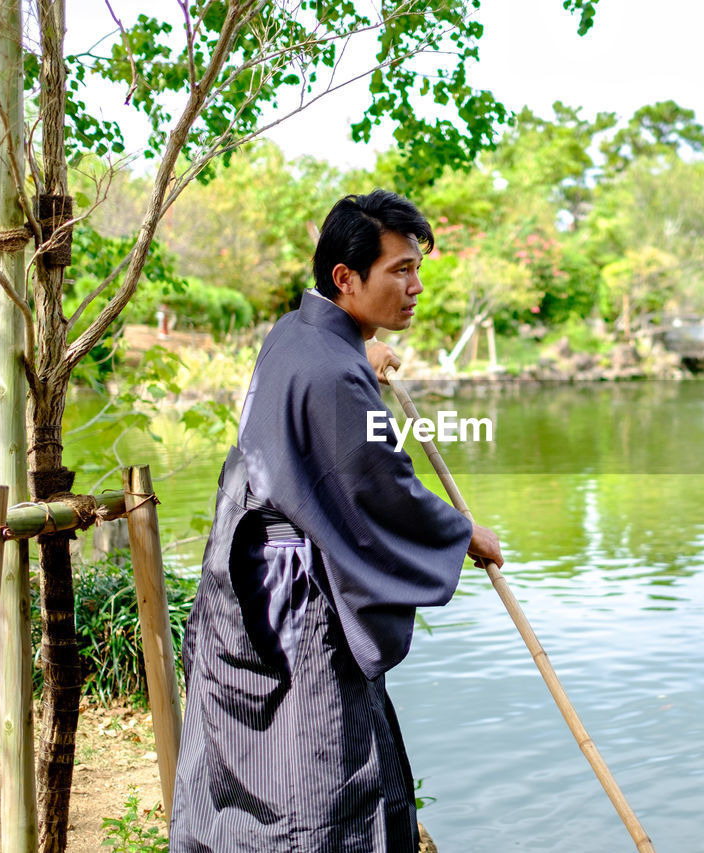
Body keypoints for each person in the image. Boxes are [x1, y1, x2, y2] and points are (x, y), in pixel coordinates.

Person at [170, 190, 503, 852]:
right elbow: (382, 487)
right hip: (295, 609)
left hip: (243, 588)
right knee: (318, 784)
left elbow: (333, 407)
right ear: (345, 278)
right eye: (398, 270)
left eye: (417, 269)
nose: (414, 287)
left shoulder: (297, 335)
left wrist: (363, 349)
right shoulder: (334, 374)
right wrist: (461, 534)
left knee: (244, 775)